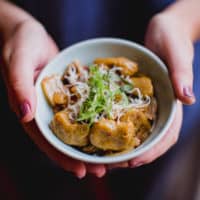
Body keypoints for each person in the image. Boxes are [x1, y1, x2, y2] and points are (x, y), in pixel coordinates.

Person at [0, 0, 199, 199]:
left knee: (142, 188)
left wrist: (181, 22)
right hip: (27, 70)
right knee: (39, 185)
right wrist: (12, 25)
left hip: (168, 59)